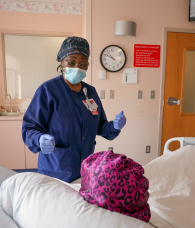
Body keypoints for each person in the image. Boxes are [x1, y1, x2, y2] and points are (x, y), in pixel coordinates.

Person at [22, 36, 127, 183]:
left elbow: (100, 127)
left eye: (83, 63)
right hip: (56, 170)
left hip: (86, 168)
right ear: (62, 62)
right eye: (71, 62)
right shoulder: (48, 91)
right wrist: (39, 139)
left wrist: (114, 126)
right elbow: (29, 128)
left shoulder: (90, 92)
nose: (77, 67)